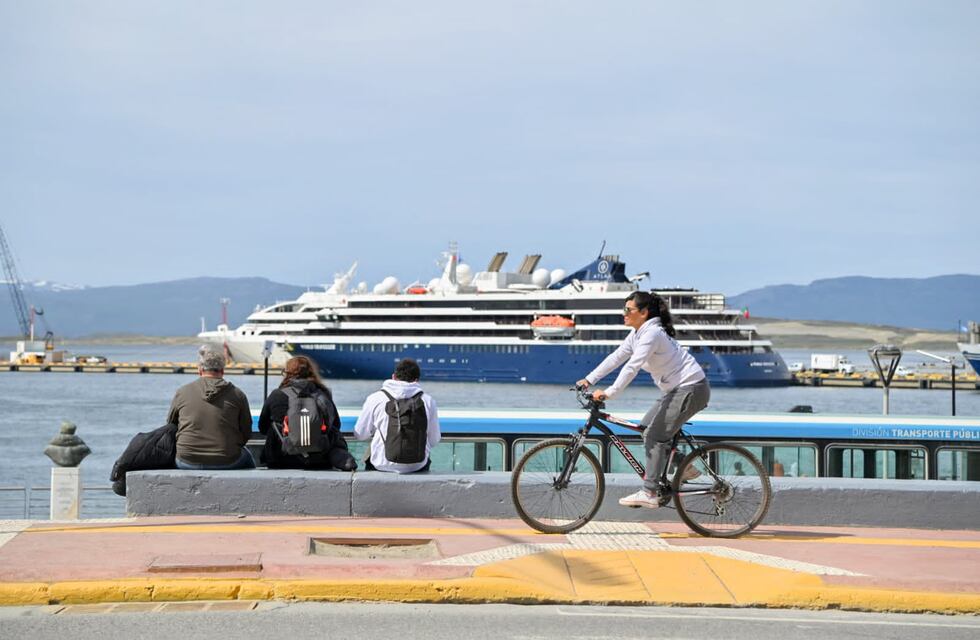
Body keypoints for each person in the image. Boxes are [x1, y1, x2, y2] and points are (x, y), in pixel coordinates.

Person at [576, 291, 710, 508]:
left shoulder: (652, 334)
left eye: (628, 310)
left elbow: (633, 366)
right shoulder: (638, 334)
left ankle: (649, 492)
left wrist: (609, 393)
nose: (624, 314)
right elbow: (617, 357)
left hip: (691, 388)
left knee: (655, 436)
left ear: (644, 312)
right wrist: (589, 380)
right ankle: (684, 466)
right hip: (677, 390)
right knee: (646, 428)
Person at [257, 355, 356, 471]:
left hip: (280, 460)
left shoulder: (277, 395)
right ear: (312, 372)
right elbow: (336, 425)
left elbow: (262, 428)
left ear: (287, 373)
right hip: (319, 460)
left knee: (273, 426)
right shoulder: (323, 395)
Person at [168, 345, 255, 470]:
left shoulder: (182, 392)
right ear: (222, 371)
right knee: (248, 458)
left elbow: (171, 425)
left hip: (186, 460)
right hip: (227, 460)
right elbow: (246, 432)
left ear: (199, 370)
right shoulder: (238, 394)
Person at [354, 358, 441, 473]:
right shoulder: (428, 401)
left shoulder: (375, 399)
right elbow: (434, 439)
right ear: (416, 380)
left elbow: (360, 435)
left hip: (380, 465)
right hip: (417, 466)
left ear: (393, 377)